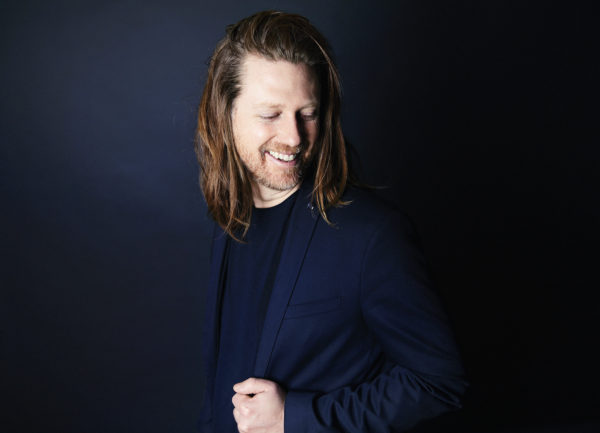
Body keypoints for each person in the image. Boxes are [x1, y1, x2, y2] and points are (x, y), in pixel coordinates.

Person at [195, 10, 467, 433]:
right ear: (224, 114)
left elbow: (439, 383)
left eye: (308, 113)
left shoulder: (373, 236)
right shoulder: (229, 220)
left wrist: (294, 417)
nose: (294, 137)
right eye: (270, 114)